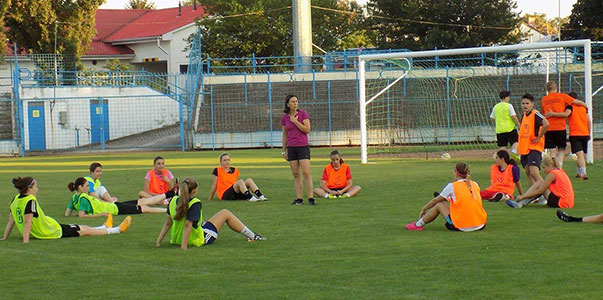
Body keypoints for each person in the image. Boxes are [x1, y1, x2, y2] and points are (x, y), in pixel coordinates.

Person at [2, 177, 131, 243]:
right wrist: (26, 241)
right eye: (36, 187)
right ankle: (116, 230)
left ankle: (103, 226)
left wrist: (5, 237)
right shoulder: (30, 201)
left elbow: (11, 221)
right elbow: (27, 222)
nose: (37, 189)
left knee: (81, 227)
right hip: (51, 231)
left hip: (50, 227)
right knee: (84, 231)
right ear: (29, 189)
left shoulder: (16, 199)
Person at [155, 178, 265, 250]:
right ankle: (253, 236)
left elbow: (168, 224)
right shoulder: (194, 203)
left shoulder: (173, 200)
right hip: (196, 240)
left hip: (176, 239)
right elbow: (188, 225)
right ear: (194, 191)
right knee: (225, 213)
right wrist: (184, 247)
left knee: (204, 222)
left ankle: (254, 236)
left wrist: (158, 242)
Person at [405, 162, 487, 232]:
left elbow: (434, 201)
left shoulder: (452, 186)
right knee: (447, 204)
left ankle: (418, 224)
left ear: (456, 172)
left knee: (439, 205)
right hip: (480, 224)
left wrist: (424, 208)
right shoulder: (475, 184)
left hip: (461, 226)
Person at [65, 177, 168, 218]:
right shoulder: (83, 198)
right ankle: (167, 208)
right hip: (114, 209)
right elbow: (82, 216)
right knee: (144, 207)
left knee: (142, 202)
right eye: (87, 186)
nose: (89, 188)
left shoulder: (74, 198)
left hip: (113, 206)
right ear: (80, 187)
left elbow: (67, 214)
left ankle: (168, 196)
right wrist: (102, 215)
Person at [541, 81, 587, 168]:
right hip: (560, 127)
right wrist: (584, 104)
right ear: (556, 88)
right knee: (561, 149)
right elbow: (576, 101)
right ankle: (559, 167)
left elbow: (544, 112)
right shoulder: (562, 96)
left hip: (549, 128)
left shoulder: (544, 99)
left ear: (547, 89)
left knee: (552, 150)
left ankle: (553, 166)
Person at [281, 94, 315, 206]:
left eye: (296, 101)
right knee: (296, 174)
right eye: (292, 102)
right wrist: (284, 150)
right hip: (291, 148)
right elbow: (285, 134)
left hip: (303, 147)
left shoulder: (302, 114)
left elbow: (307, 129)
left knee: (306, 172)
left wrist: (295, 122)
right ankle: (299, 199)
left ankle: (311, 198)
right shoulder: (284, 118)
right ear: (288, 104)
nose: (295, 103)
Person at [506, 155, 574, 209]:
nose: (543, 170)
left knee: (540, 183)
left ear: (550, 166)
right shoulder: (560, 171)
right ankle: (521, 202)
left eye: (544, 168)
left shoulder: (552, 174)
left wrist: (523, 196)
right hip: (568, 202)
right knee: (540, 183)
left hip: (560, 202)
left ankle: (521, 202)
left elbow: (540, 190)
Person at [518, 93, 549, 187]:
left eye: (527, 103)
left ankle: (545, 192)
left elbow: (546, 123)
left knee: (534, 172)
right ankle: (534, 194)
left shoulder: (536, 114)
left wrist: (539, 136)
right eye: (523, 103)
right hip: (525, 147)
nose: (525, 105)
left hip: (534, 147)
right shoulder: (524, 115)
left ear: (532, 104)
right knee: (528, 171)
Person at [567, 92, 590, 180]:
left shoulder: (570, 107)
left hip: (575, 133)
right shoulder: (584, 108)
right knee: (581, 154)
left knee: (579, 154)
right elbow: (588, 121)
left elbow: (566, 115)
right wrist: (589, 132)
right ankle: (579, 171)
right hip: (585, 132)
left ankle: (584, 173)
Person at [490, 91, 520, 155]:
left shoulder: (496, 106)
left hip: (500, 130)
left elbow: (492, 117)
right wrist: (518, 124)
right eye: (508, 97)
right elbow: (513, 116)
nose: (509, 98)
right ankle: (513, 152)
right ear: (506, 97)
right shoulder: (509, 106)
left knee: (502, 146)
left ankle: (501, 157)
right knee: (516, 142)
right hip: (510, 128)